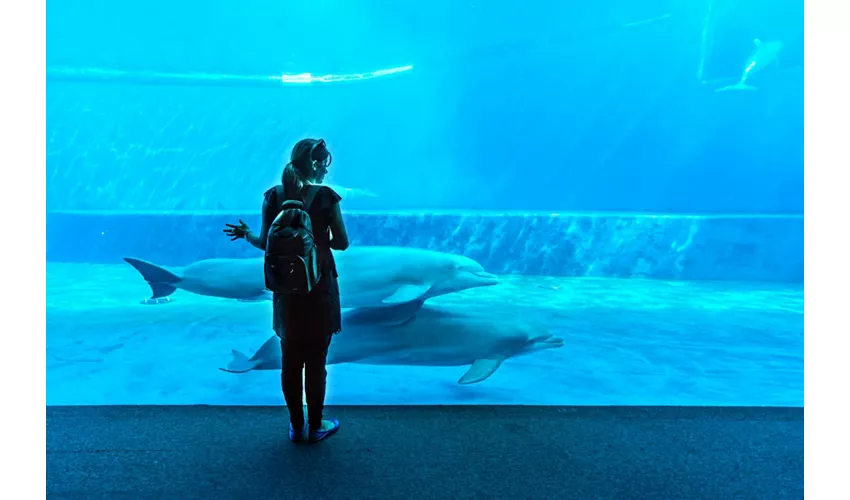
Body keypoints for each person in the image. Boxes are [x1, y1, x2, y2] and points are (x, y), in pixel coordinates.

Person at [223, 138, 350, 443]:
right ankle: (317, 424)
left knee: (291, 359)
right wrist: (317, 241)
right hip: (319, 286)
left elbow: (265, 242)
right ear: (317, 164)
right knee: (316, 360)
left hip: (286, 289)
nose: (326, 171)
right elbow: (342, 242)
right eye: (325, 165)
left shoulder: (274, 196)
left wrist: (246, 234)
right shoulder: (326, 198)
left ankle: (296, 426)